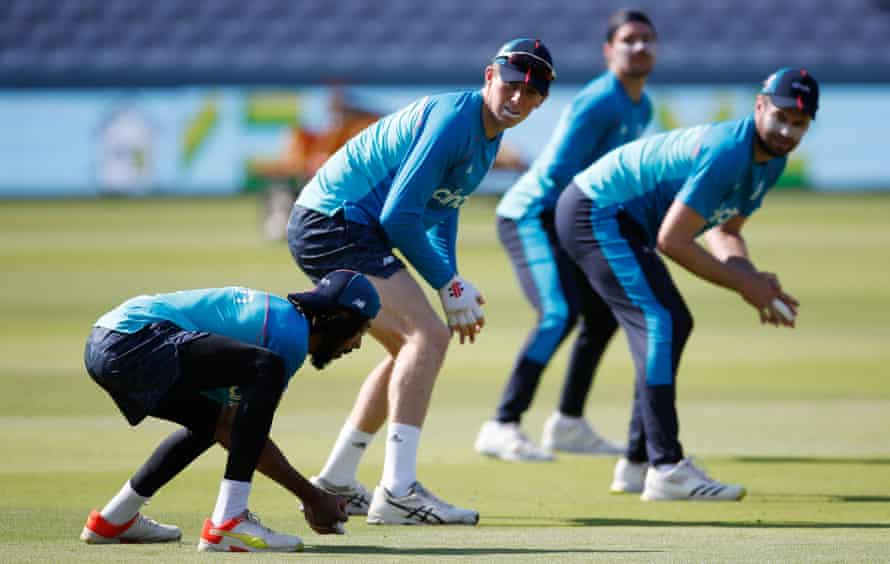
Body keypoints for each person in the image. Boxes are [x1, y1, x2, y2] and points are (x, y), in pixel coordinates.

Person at [286, 38, 555, 524]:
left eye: (533, 94)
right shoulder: (458, 119)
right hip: (335, 223)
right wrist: (448, 286)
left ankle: (339, 480)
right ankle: (399, 492)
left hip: (337, 224)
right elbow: (400, 218)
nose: (519, 98)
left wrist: (448, 283)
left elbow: (440, 212)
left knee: (411, 347)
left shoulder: (486, 132)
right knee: (426, 336)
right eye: (513, 85)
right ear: (490, 77)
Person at [554, 67, 819, 500]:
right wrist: (741, 284)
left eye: (800, 123)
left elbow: (725, 230)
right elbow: (673, 241)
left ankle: (639, 463)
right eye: (781, 117)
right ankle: (666, 466)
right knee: (662, 320)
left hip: (619, 219)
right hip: (596, 210)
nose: (787, 130)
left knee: (671, 321)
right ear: (759, 107)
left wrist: (749, 277)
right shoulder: (730, 150)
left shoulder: (771, 161)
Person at [79, 270, 381, 551]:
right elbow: (240, 429)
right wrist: (312, 496)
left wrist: (312, 497)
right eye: (360, 330)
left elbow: (228, 427)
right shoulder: (289, 337)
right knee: (266, 369)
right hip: (132, 339)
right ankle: (230, 521)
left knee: (208, 423)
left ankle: (114, 519)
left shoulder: (283, 326)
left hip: (107, 343)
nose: (356, 345)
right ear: (339, 319)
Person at [475, 10, 658, 462]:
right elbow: (559, 173)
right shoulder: (600, 101)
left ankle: (568, 423)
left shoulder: (643, 105)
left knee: (601, 315)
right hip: (533, 213)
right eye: (629, 39)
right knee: (557, 313)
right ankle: (502, 424)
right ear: (609, 50)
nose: (639, 47)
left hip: (571, 217)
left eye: (647, 40)